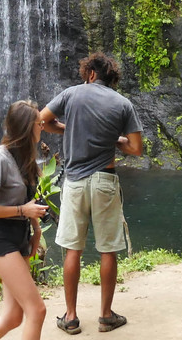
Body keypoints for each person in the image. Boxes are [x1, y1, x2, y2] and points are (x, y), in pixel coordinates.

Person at [40, 53, 143, 335]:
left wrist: (65, 128)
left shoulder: (71, 94)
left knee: (73, 248)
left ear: (92, 74)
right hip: (105, 180)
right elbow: (136, 148)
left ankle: (71, 317)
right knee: (108, 249)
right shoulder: (123, 104)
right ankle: (106, 316)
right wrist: (116, 139)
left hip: (73, 181)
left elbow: (41, 121)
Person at [0, 101, 52, 340]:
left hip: (19, 237)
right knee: (37, 310)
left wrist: (35, 229)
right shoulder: (0, 157)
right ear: (28, 128)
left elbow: (28, 201)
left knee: (13, 317)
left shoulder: (25, 157)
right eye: (40, 124)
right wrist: (22, 212)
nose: (43, 128)